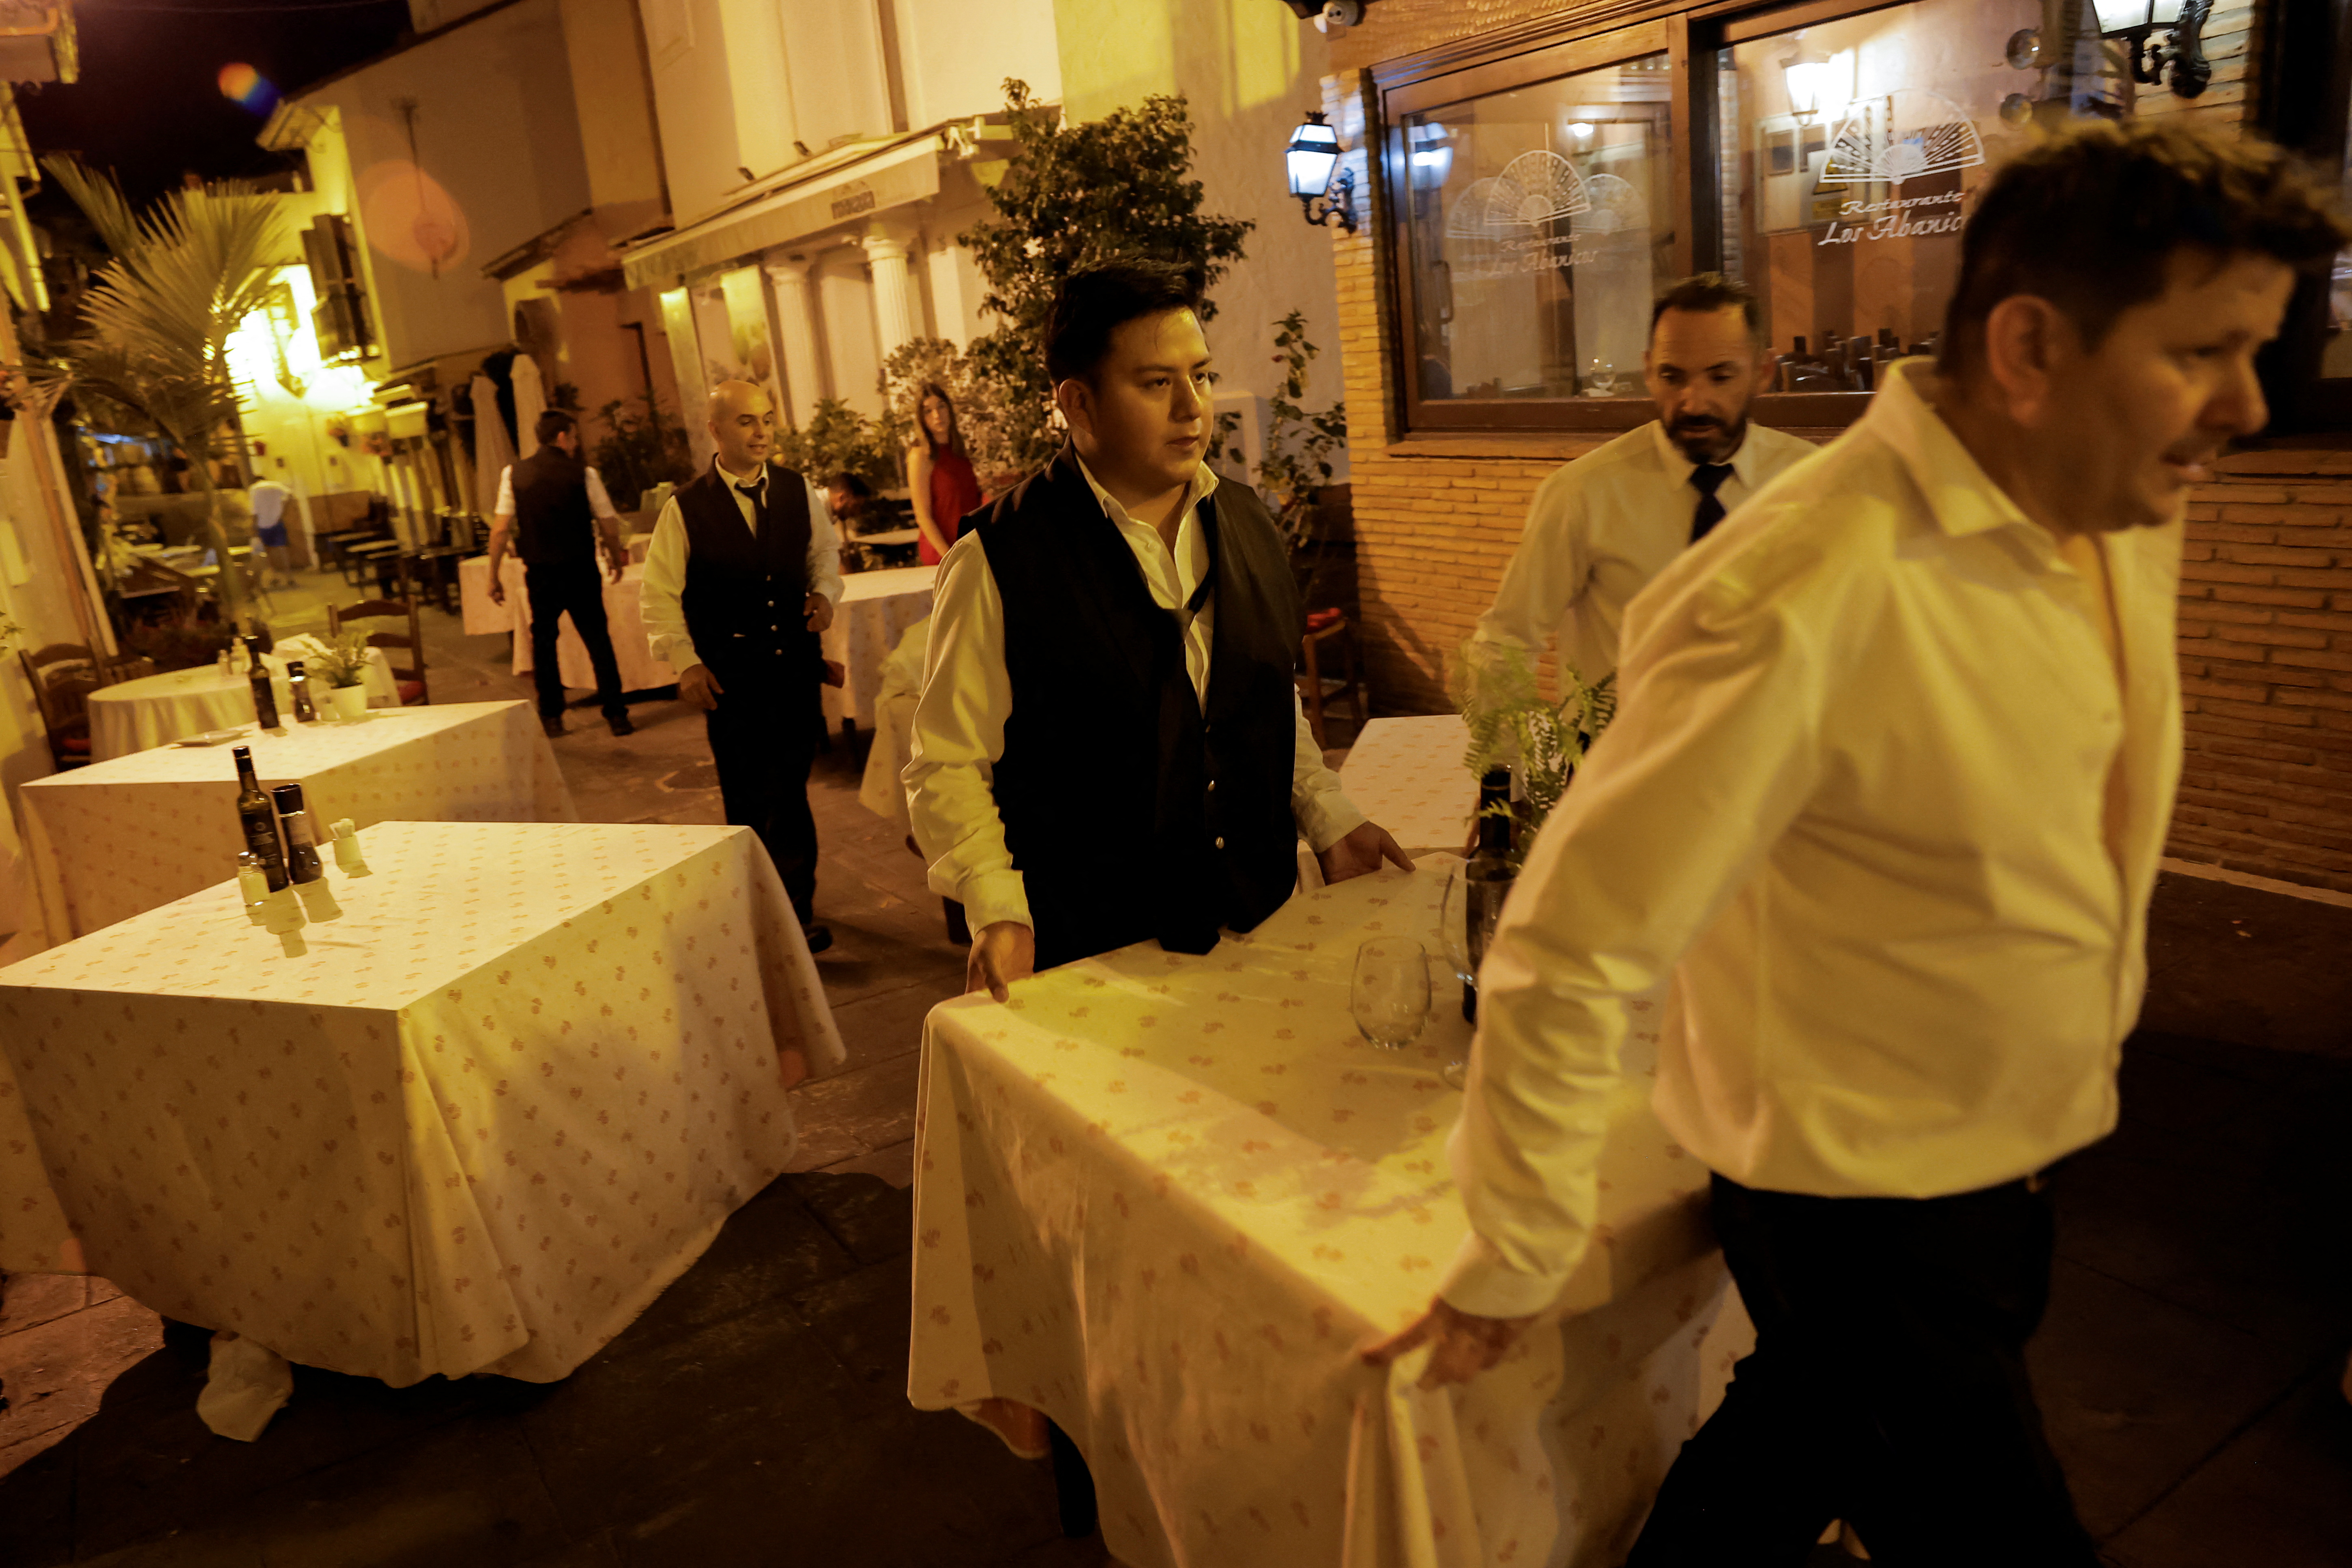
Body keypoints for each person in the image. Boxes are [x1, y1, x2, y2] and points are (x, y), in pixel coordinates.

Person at [1364, 119, 2348, 1564]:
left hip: (2006, 1136)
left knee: (1794, 1443)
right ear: (2028, 348)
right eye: (2203, 352)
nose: (2246, 408)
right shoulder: (1793, 591)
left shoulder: (2111, 501)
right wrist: (1514, 1243)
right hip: (1856, 1190)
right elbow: (1573, 945)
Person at [905, 259, 1412, 1002]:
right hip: (1095, 952)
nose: (1191, 409)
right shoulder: (999, 561)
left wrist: (1330, 820)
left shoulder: (1248, 523)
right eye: (1155, 384)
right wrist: (997, 907)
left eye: (1200, 376)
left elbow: (1265, 705)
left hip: (1260, 923)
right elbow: (946, 763)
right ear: (1078, 404)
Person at [1466, 273, 1817, 692]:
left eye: (1720, 377)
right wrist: (1505, 757)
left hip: (1767, 751)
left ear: (1762, 372)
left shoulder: (1814, 482)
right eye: (1673, 377)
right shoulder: (1583, 493)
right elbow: (1507, 641)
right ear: (1649, 371)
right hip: (1621, 753)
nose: (1693, 401)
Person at [642, 379, 844, 953]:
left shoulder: (796, 489)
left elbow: (822, 554)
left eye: (768, 420)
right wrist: (685, 663)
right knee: (749, 797)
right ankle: (766, 912)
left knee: (793, 790)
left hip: (794, 672)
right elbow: (658, 594)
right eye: (747, 422)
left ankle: (796, 908)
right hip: (732, 676)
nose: (761, 432)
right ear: (716, 430)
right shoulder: (685, 507)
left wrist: (825, 593)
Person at [488, 409, 634, 739]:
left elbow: (499, 531)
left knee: (544, 644)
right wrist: (614, 556)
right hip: (581, 569)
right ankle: (617, 716)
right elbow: (608, 522)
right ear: (563, 437)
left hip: (540, 572)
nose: (576, 443)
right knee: (598, 641)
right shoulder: (585, 474)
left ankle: (552, 716)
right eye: (575, 437)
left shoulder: (513, 474)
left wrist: (492, 575)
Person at [906, 382, 983, 566]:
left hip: (972, 548)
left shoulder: (961, 451)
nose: (937, 415)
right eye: (928, 411)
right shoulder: (921, 456)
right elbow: (923, 515)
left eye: (941, 406)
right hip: (943, 553)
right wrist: (949, 556)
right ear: (922, 419)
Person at [249, 471, 296, 586]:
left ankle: (275, 577)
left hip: (263, 524)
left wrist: (253, 527)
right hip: (277, 522)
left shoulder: (254, 489)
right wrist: (283, 512)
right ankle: (290, 577)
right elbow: (290, 495)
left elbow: (254, 510)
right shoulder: (276, 485)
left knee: (267, 552)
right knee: (282, 550)